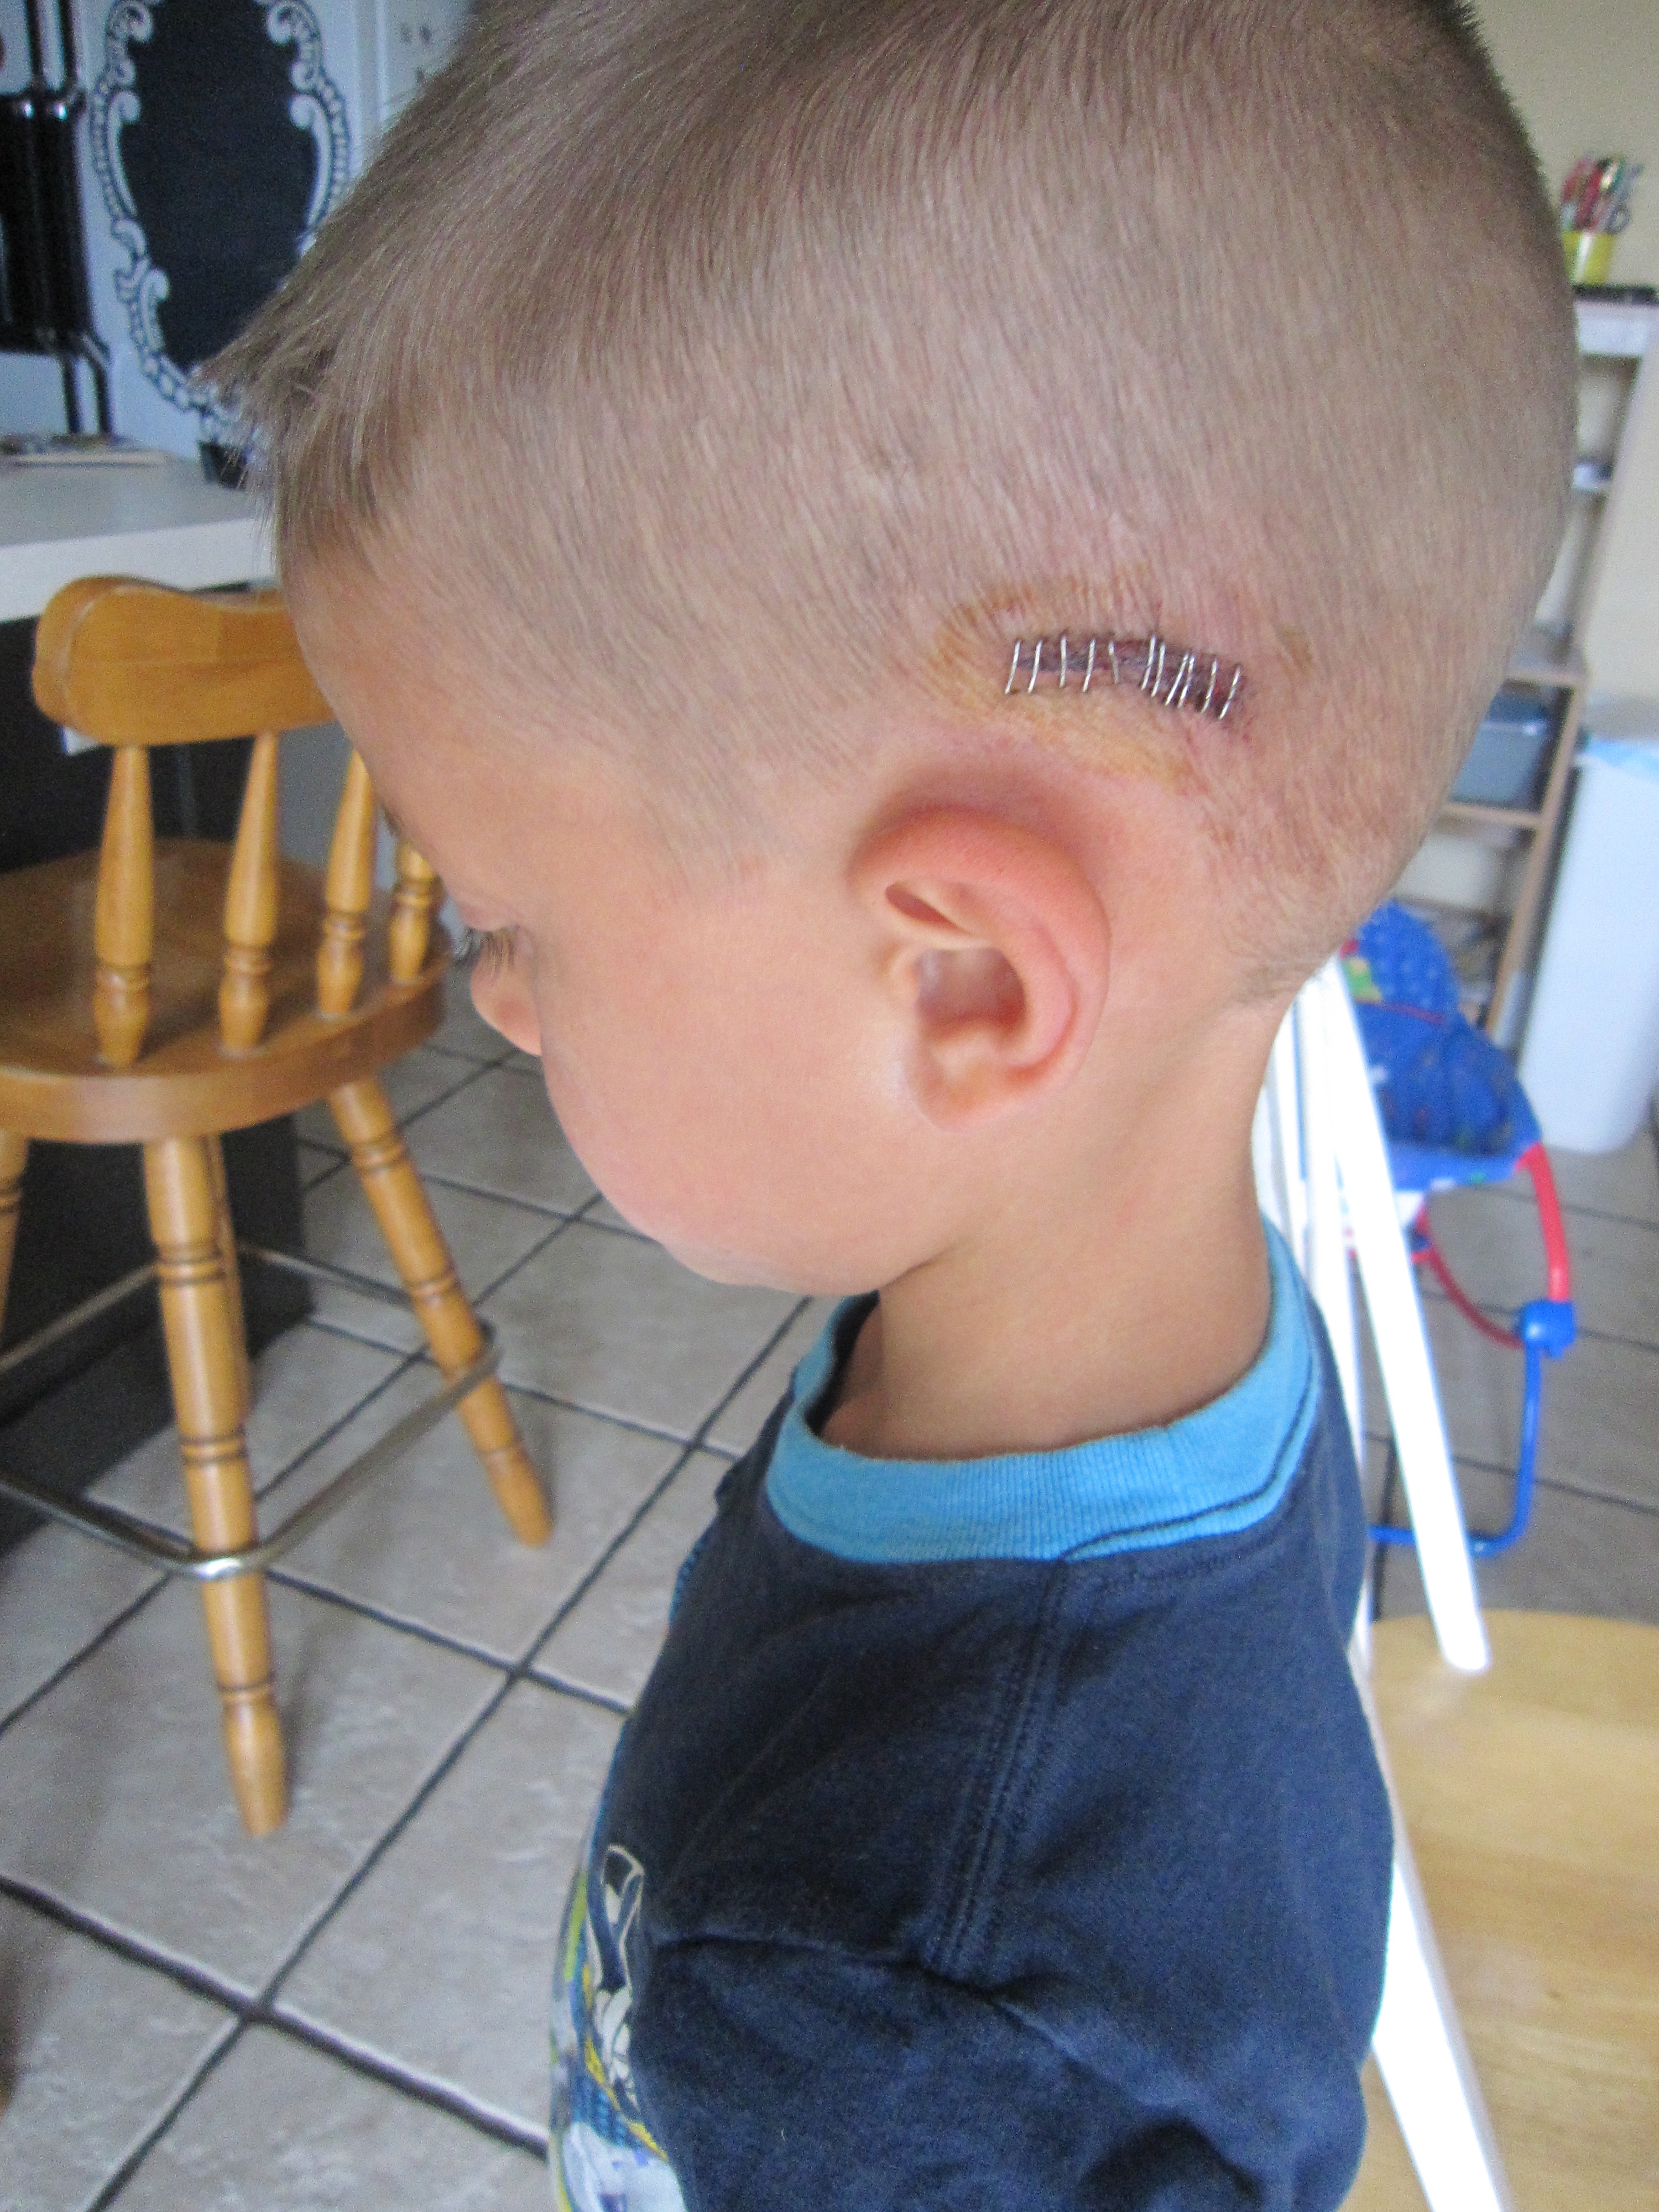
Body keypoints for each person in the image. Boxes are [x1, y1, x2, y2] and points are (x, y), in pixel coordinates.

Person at [212, 1, 1575, 2203]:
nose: (495, 996)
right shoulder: (1192, 1362)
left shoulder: (894, 2008)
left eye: (508, 913)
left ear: (963, 981)